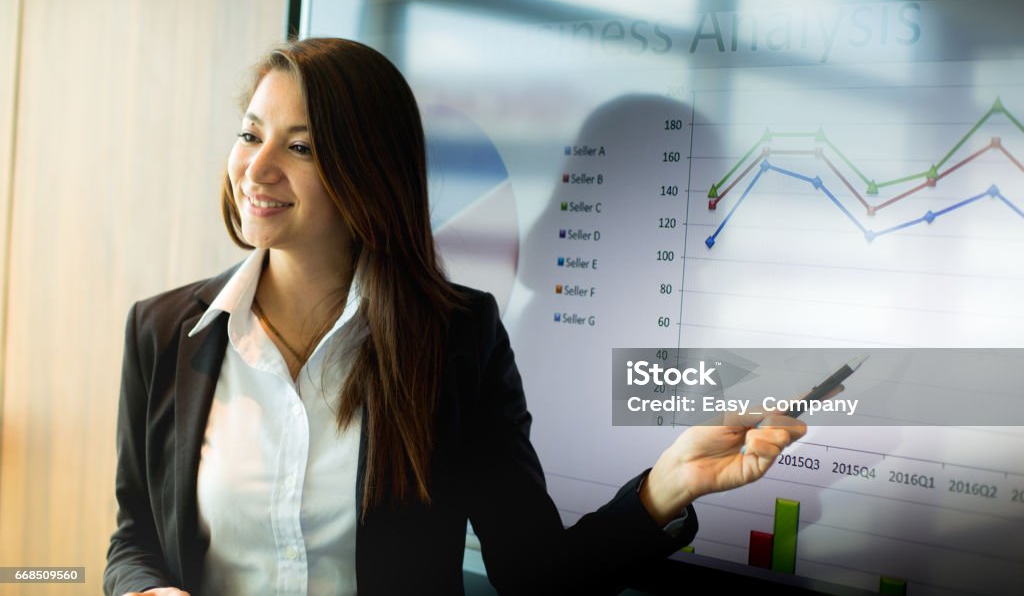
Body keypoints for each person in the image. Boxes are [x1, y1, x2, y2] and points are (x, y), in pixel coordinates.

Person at [103, 37, 805, 596]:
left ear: (369, 173)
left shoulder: (455, 341)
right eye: (250, 134)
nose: (256, 169)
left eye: (301, 146)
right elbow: (135, 539)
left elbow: (534, 571)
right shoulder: (162, 332)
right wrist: (141, 590)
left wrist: (667, 486)